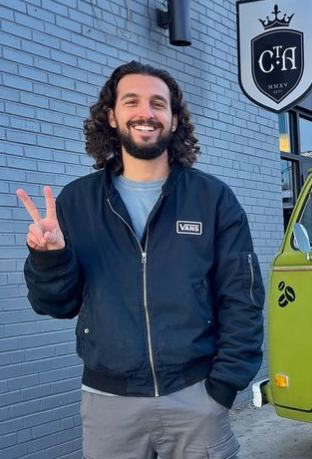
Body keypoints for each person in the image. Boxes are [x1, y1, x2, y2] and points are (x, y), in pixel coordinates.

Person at [17, 61, 264, 459]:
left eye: (158, 104)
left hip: (195, 399)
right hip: (109, 406)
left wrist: (222, 387)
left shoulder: (213, 200)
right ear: (111, 116)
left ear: (174, 118)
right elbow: (55, 304)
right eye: (131, 101)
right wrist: (50, 259)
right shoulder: (77, 203)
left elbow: (243, 298)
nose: (145, 113)